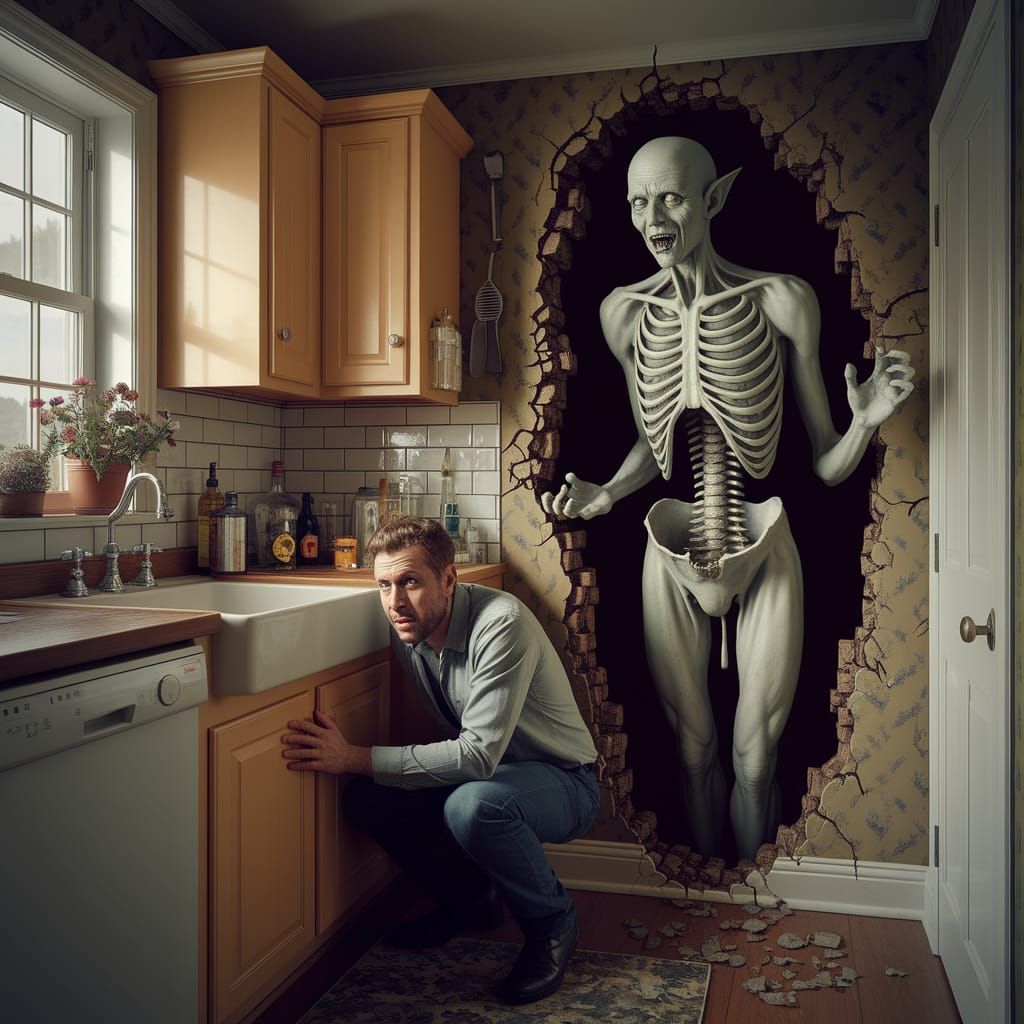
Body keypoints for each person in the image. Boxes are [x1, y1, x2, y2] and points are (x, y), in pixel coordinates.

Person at [542, 136, 914, 861]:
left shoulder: (781, 299)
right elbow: (652, 445)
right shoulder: (622, 314)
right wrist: (607, 492)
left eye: (671, 198)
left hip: (763, 543)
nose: (653, 219)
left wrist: (864, 424)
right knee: (692, 749)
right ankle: (705, 891)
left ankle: (751, 886)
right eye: (639, 203)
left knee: (754, 756)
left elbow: (827, 465)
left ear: (713, 200)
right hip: (671, 547)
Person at [281, 516, 600, 1005]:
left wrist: (352, 756)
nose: (395, 602)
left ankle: (553, 923)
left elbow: (477, 757)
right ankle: (468, 901)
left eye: (409, 581)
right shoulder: (409, 624)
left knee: (472, 806)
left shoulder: (501, 623)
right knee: (370, 797)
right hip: (490, 778)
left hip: (564, 781)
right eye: (384, 585)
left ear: (449, 580)